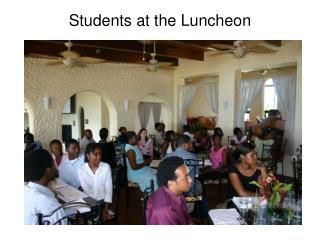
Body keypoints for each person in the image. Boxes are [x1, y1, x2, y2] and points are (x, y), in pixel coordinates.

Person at [146, 156, 193, 225]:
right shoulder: (164, 211)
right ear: (170, 182)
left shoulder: (177, 193)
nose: (190, 180)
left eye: (189, 175)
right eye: (185, 177)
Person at [24, 149, 66, 224]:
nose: (56, 168)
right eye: (53, 164)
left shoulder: (26, 189)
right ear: (48, 170)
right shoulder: (50, 204)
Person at [78, 143, 113, 222]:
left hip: (103, 201)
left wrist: (105, 209)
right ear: (88, 155)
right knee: (80, 215)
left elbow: (109, 190)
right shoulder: (81, 170)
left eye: (100, 154)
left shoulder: (106, 167)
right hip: (89, 200)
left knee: (91, 216)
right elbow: (86, 190)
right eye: (95, 154)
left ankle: (94, 217)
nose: (98, 157)